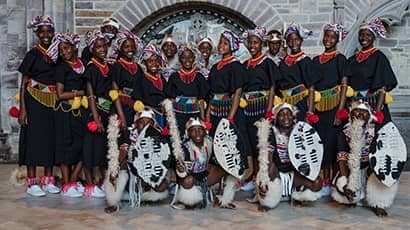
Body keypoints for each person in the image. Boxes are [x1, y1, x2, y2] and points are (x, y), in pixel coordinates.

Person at [205, 29, 251, 209]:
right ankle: (216, 191)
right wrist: (209, 112)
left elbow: (237, 92)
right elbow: (211, 94)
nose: (221, 46)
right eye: (220, 43)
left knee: (230, 152)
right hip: (216, 112)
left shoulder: (236, 66)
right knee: (217, 153)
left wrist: (230, 117)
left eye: (225, 43)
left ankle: (226, 193)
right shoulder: (215, 67)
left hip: (229, 114)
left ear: (232, 46)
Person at [331, 100, 400, 217]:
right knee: (348, 193)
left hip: (371, 167)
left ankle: (378, 204)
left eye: (364, 112)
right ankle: (353, 196)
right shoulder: (344, 134)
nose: (360, 115)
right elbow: (342, 158)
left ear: (369, 116)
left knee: (380, 177)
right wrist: (344, 180)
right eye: (356, 111)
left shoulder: (377, 133)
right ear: (350, 115)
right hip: (352, 168)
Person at [18, 16, 60, 197]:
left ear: (53, 33)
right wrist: (23, 109)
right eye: (41, 32)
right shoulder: (32, 55)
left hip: (52, 102)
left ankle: (49, 180)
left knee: (50, 140)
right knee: (33, 141)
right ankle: (32, 182)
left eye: (49, 31)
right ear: (36, 34)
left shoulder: (57, 54)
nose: (45, 35)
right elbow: (23, 83)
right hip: (34, 100)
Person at [82, 29, 126, 198]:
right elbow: (90, 94)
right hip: (95, 111)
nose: (101, 49)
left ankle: (101, 182)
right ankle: (90, 184)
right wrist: (95, 118)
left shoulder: (109, 66)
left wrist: (116, 115)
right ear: (92, 49)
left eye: (104, 46)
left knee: (102, 149)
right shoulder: (91, 67)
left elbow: (114, 91)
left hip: (107, 110)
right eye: (98, 47)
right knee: (91, 148)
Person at [255, 103, 322, 212]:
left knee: (317, 183)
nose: (286, 117)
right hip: (276, 172)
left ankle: (296, 194)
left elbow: (310, 156)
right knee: (270, 168)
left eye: (288, 114)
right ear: (276, 118)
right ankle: (268, 198)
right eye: (281, 114)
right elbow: (267, 159)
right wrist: (264, 180)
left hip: (294, 172)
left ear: (293, 116)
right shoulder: (271, 132)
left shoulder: (301, 131)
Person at [240, 26, 281, 192]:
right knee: (252, 143)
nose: (252, 45)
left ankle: (266, 178)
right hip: (248, 109)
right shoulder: (245, 65)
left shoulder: (268, 63)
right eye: (250, 42)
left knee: (263, 143)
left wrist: (269, 109)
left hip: (263, 107)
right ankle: (255, 175)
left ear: (262, 44)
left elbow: (272, 87)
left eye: (256, 42)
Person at [312, 23, 349, 196]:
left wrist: (340, 111)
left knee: (333, 144)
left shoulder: (340, 59)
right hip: (320, 108)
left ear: (338, 39)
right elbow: (311, 87)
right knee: (320, 144)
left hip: (334, 108)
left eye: (332, 37)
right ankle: (322, 178)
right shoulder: (315, 60)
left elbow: (343, 86)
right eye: (326, 36)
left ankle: (332, 180)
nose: (328, 39)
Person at [50, 32, 86, 197]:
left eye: (66, 48)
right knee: (66, 147)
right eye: (61, 50)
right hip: (64, 112)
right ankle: (66, 184)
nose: (64, 52)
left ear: (73, 47)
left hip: (79, 112)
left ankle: (72, 180)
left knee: (80, 147)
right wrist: (79, 93)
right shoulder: (61, 68)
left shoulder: (82, 65)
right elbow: (60, 94)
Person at [345, 17, 397, 129]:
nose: (364, 38)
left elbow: (382, 87)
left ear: (374, 37)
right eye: (361, 35)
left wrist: (377, 112)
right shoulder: (352, 60)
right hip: (355, 106)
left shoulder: (379, 57)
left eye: (368, 35)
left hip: (373, 104)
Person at [277, 23, 320, 123]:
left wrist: (310, 110)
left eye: (296, 39)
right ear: (286, 42)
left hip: (301, 102)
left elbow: (311, 87)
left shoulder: (305, 61)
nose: (293, 43)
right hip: (285, 103)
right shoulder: (283, 62)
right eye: (290, 40)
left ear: (301, 41)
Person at [164, 44, 209, 138]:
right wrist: (169, 120)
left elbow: (201, 101)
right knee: (179, 140)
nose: (187, 60)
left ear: (194, 58)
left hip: (195, 115)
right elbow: (170, 100)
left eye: (190, 57)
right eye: (184, 57)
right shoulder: (174, 76)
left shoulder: (199, 77)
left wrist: (203, 119)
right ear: (180, 59)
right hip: (177, 116)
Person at [171, 118, 212, 209]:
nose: (197, 133)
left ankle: (221, 197)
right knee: (188, 181)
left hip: (204, 174)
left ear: (205, 132)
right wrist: (181, 171)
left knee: (223, 170)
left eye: (200, 129)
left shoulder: (210, 142)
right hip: (190, 175)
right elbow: (182, 175)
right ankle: (189, 201)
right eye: (193, 130)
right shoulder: (185, 148)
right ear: (188, 134)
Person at [111, 30, 144, 127]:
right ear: (120, 48)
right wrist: (121, 116)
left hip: (136, 108)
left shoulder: (139, 68)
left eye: (133, 47)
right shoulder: (116, 66)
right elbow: (114, 93)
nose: (130, 49)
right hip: (121, 107)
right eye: (126, 47)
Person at [132, 44, 168, 128]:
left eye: (156, 61)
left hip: (162, 114)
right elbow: (138, 100)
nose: (154, 64)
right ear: (144, 62)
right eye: (150, 61)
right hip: (148, 115)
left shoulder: (162, 78)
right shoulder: (141, 79)